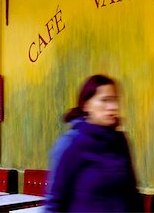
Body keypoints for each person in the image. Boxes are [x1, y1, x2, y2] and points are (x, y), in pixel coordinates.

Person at [45, 74, 142, 212]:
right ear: (86, 105)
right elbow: (54, 203)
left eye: (115, 100)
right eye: (105, 100)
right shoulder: (71, 144)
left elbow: (132, 194)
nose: (113, 107)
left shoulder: (120, 141)